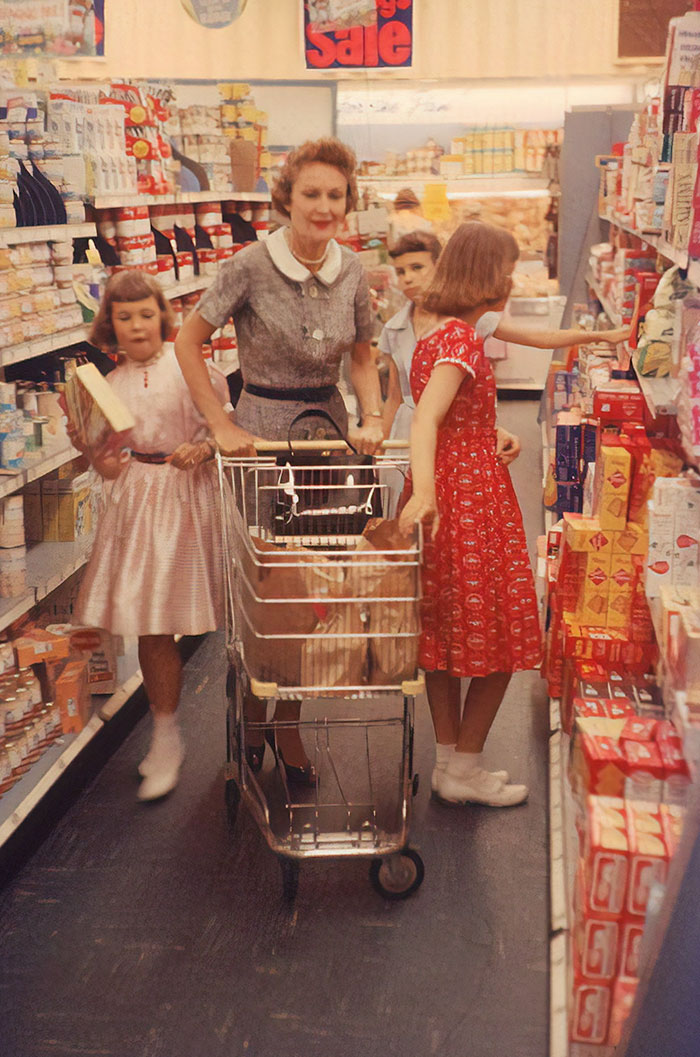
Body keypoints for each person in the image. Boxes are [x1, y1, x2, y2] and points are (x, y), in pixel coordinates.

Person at [174, 136, 384, 785]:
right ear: (287, 199)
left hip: (327, 434)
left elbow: (361, 354)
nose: (324, 207)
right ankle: (264, 714)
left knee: (312, 595)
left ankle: (281, 716)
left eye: (335, 195)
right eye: (311, 194)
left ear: (348, 203)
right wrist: (219, 423)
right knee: (268, 589)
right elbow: (188, 340)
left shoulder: (352, 268)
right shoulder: (249, 266)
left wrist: (372, 417)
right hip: (261, 436)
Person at [394, 222, 544, 807]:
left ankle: (452, 765)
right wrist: (427, 493)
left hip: (457, 484)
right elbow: (426, 418)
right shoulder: (460, 342)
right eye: (507, 268)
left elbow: (446, 419)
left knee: (443, 631)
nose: (511, 280)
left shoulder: (438, 332)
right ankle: (465, 764)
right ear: (490, 275)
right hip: (469, 497)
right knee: (500, 634)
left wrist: (486, 433)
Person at [70, 271, 228, 802]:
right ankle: (165, 737)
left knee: (223, 614)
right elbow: (111, 465)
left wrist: (203, 449)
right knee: (153, 626)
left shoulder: (190, 370)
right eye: (124, 316)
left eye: (145, 313)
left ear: (164, 315)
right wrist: (99, 455)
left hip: (192, 497)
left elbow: (223, 428)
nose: (137, 326)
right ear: (109, 325)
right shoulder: (108, 384)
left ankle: (253, 727)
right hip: (140, 502)